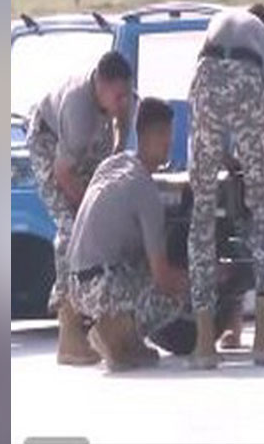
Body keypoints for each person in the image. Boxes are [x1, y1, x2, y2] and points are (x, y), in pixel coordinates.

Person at [187, 5, 264, 368]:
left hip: (206, 72)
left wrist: (226, 155)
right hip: (247, 78)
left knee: (201, 216)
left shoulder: (225, 22)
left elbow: (208, 92)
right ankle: (263, 336)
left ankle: (203, 344)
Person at [25, 50, 134, 365]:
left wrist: (114, 153)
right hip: (48, 142)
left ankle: (111, 324)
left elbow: (121, 137)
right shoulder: (79, 110)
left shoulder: (121, 98)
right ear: (100, 85)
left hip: (79, 145)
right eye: (118, 96)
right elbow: (62, 173)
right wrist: (89, 211)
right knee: (72, 230)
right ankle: (69, 334)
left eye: (126, 95)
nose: (123, 102)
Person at [68, 98, 190, 371]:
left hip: (74, 285)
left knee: (141, 269)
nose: (168, 142)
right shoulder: (144, 190)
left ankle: (128, 341)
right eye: (162, 135)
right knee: (176, 291)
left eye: (168, 134)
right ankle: (118, 331)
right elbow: (162, 277)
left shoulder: (113, 165)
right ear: (144, 136)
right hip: (101, 286)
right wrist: (205, 278)